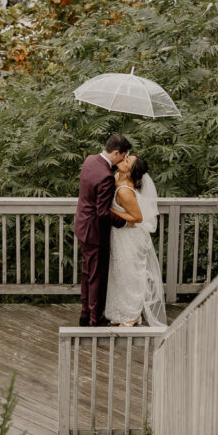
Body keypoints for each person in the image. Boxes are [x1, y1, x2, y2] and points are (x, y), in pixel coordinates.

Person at [74, 134, 130, 326]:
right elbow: (103, 213)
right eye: (123, 156)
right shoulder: (106, 177)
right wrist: (124, 222)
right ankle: (95, 318)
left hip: (82, 227)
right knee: (97, 276)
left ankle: (84, 313)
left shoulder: (90, 160)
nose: (123, 160)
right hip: (95, 231)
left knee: (87, 273)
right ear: (116, 152)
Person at [104, 155, 167, 327]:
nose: (123, 160)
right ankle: (119, 311)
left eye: (127, 161)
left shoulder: (125, 190)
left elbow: (137, 218)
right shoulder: (116, 176)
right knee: (119, 272)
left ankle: (132, 315)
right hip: (120, 234)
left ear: (131, 172)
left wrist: (110, 210)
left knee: (130, 274)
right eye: (125, 157)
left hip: (131, 236)